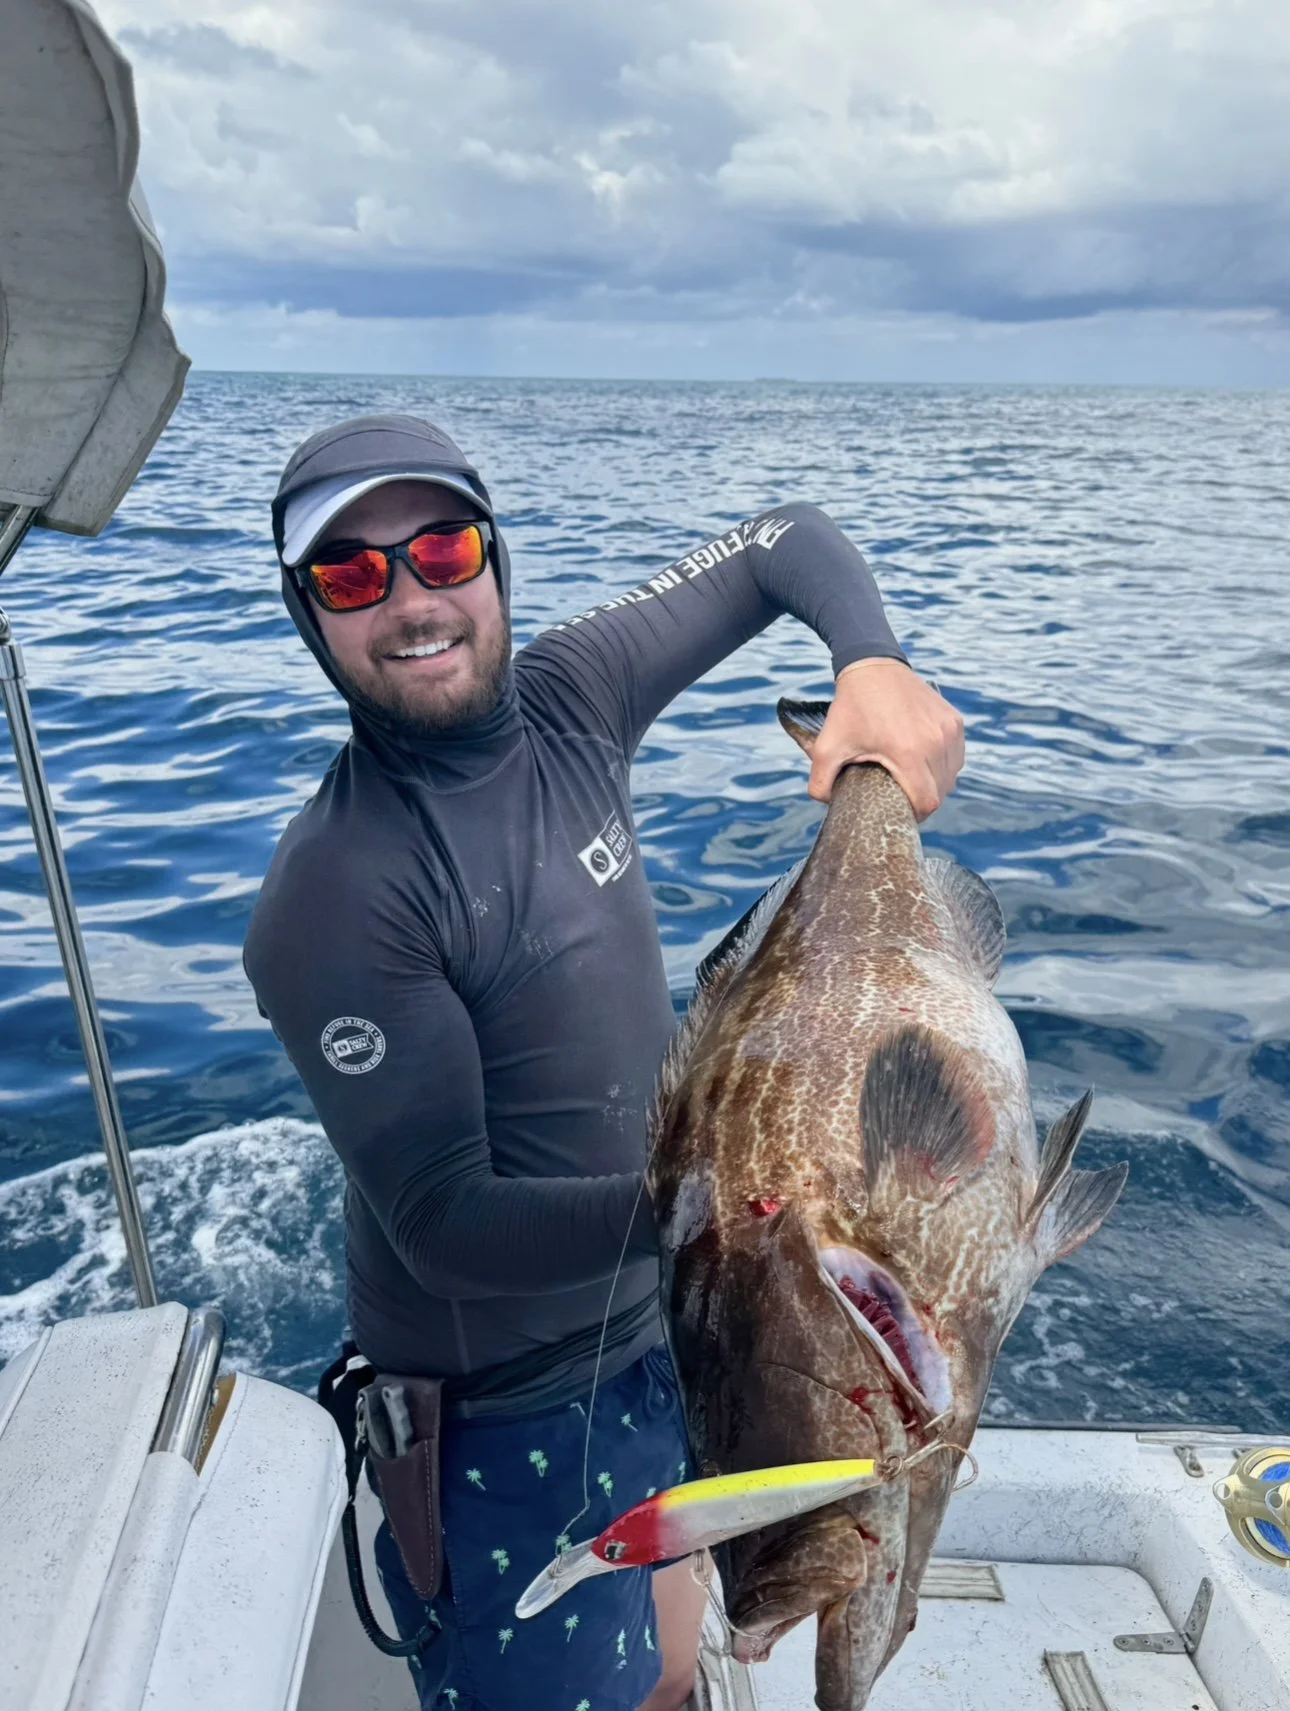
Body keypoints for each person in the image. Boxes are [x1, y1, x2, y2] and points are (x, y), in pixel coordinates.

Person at [244, 414, 964, 1711]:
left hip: (673, 1332)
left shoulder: (574, 695)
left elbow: (777, 542)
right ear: (309, 615)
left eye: (441, 548)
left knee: (681, 1645)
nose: (411, 599)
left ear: (492, 560)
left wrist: (872, 661)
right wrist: (730, 1214)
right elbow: (447, 1227)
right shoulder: (339, 897)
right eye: (352, 576)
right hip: (505, 1413)